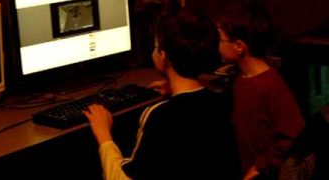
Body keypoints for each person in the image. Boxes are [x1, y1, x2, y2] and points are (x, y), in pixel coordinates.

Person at [83, 10, 241, 179]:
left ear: (163, 57)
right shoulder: (220, 101)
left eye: (156, 47)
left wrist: (104, 136)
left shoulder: (159, 115)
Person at [215, 2, 305, 179]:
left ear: (239, 46)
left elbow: (295, 135)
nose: (217, 45)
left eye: (220, 39)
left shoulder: (271, 85)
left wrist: (261, 165)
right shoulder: (240, 80)